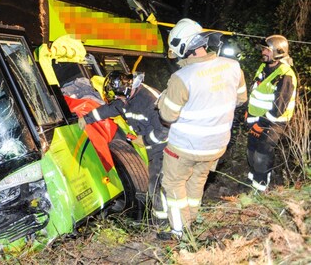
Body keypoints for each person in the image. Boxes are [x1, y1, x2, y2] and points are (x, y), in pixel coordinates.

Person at [156, 18, 247, 240]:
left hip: (184, 147)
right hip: (216, 146)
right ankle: (192, 220)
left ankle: (179, 231)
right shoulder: (233, 66)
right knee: (197, 181)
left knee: (174, 184)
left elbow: (167, 116)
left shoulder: (181, 78)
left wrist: (162, 99)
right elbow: (241, 99)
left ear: (183, 47)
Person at [79, 70, 169, 222]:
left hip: (165, 146)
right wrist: (87, 119)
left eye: (118, 95)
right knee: (158, 182)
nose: (118, 99)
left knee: (158, 184)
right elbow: (111, 108)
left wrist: (145, 140)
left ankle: (163, 222)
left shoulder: (150, 102)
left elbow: (164, 130)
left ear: (126, 90)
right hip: (154, 145)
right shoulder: (127, 99)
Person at [246, 35, 297, 192]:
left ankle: (260, 186)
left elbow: (278, 108)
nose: (263, 52)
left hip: (275, 122)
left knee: (262, 154)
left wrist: (260, 124)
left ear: (278, 52)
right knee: (251, 150)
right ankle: (253, 178)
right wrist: (249, 115)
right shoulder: (263, 67)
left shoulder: (285, 75)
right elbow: (257, 93)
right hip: (258, 119)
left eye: (267, 49)